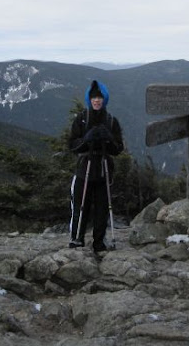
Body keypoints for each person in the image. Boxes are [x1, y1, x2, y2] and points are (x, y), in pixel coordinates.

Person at [68, 80, 124, 252]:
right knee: (80, 206)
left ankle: (98, 241)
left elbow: (118, 148)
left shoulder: (111, 121)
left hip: (103, 168)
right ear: (89, 99)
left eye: (99, 97)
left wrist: (108, 139)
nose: (97, 100)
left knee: (102, 208)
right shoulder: (82, 119)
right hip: (84, 168)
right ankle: (77, 238)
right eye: (93, 97)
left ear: (104, 99)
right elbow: (72, 145)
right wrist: (86, 140)